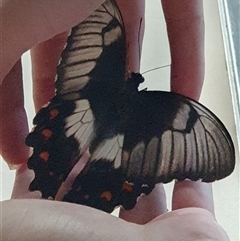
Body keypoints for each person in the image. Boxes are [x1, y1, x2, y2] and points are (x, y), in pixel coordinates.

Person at [1, 0, 229, 240]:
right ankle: (81, 187)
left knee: (66, 139)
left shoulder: (111, 56)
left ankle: (56, 171)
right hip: (116, 154)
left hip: (77, 117)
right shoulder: (161, 109)